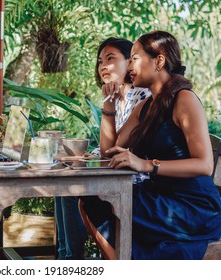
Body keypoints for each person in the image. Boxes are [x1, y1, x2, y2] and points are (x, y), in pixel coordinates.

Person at [81, 30, 221, 259]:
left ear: (159, 60)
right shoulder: (145, 107)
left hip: (192, 207)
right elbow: (108, 152)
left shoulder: (184, 99)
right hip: (160, 197)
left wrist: (147, 165)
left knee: (108, 201)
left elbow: (205, 165)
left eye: (134, 58)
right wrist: (109, 106)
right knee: (93, 197)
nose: (129, 67)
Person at [55, 37, 150, 260]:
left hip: (136, 179)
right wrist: (91, 155)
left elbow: (117, 148)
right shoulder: (117, 98)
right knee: (62, 185)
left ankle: (71, 261)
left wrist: (99, 154)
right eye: (100, 61)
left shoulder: (142, 96)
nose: (103, 66)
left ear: (130, 62)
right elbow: (108, 146)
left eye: (110, 58)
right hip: (118, 172)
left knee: (70, 190)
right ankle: (63, 256)